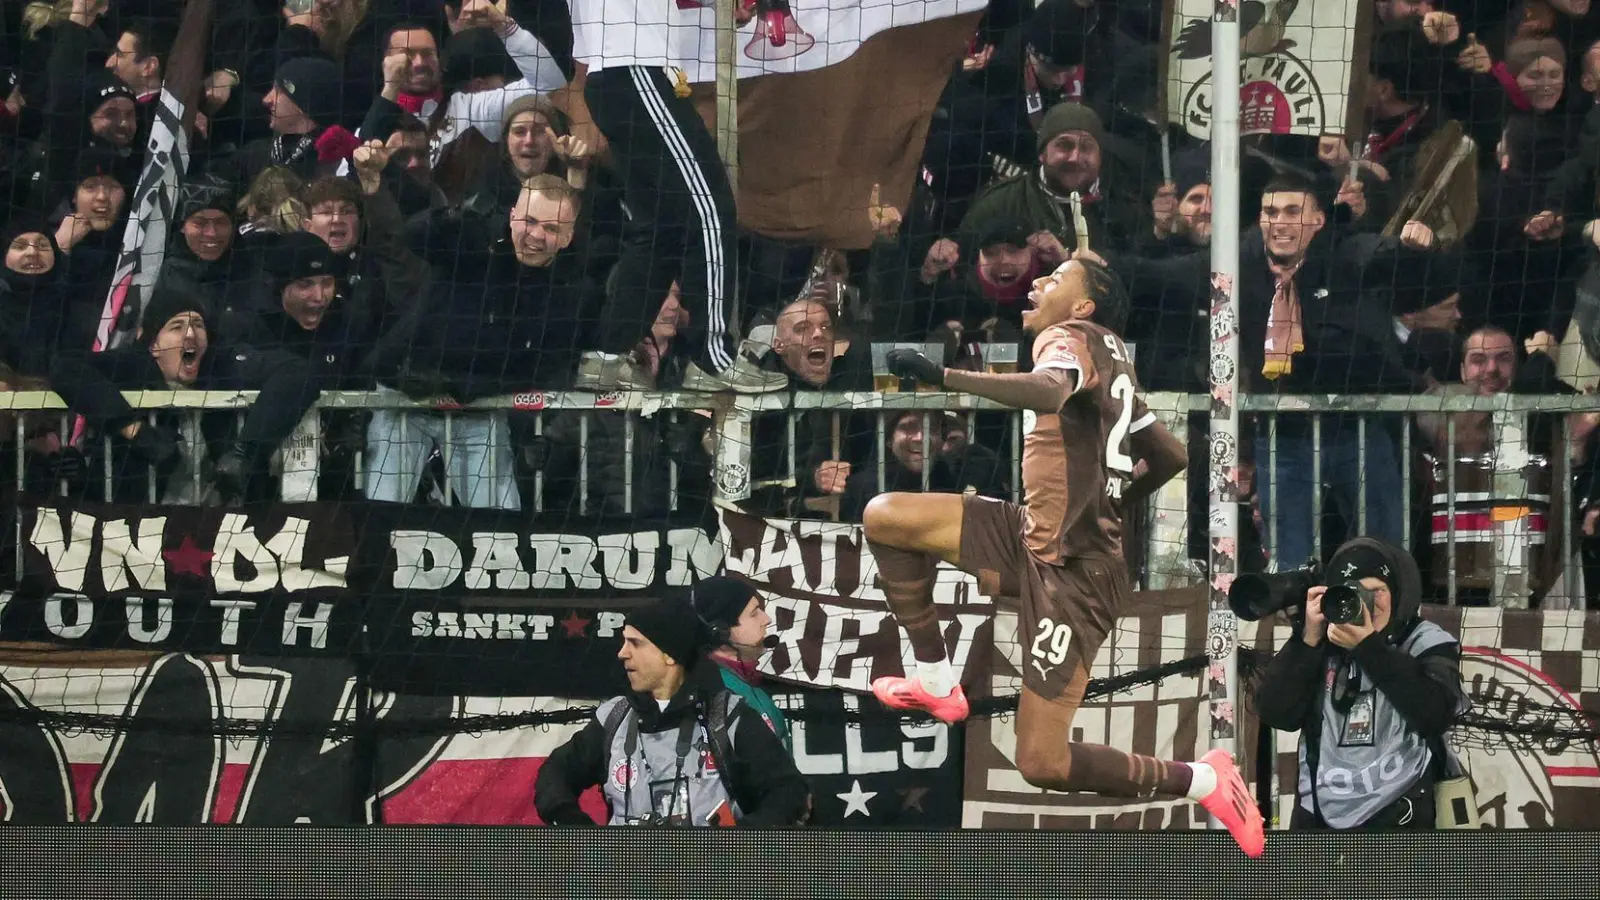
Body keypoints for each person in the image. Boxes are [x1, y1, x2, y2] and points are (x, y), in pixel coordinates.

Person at [861, 255, 1264, 856]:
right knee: (886, 516)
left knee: (1041, 761)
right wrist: (1114, 501)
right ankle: (937, 680)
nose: (1040, 283)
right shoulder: (1113, 354)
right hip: (1033, 532)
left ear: (1083, 307)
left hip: (1075, 575)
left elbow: (1050, 391)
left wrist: (944, 377)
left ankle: (1206, 779)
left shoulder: (1067, 337)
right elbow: (1173, 454)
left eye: (1056, 279)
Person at [534, 598, 809, 827]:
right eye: (623, 642)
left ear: (669, 654)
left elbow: (788, 790)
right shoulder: (614, 718)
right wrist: (573, 826)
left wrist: (737, 843)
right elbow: (555, 773)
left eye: (635, 643)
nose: (621, 653)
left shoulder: (726, 716)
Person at [1254, 538, 1468, 830]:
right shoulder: (1322, 641)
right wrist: (1306, 641)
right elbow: (1276, 712)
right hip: (1318, 816)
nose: (1369, 603)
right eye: (1355, 592)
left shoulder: (1425, 641)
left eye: (1378, 590)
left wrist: (1368, 648)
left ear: (1396, 593)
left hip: (1399, 813)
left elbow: (1435, 714)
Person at [688, 577, 789, 752]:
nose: (767, 619)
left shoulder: (750, 686)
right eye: (754, 613)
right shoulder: (711, 690)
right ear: (719, 631)